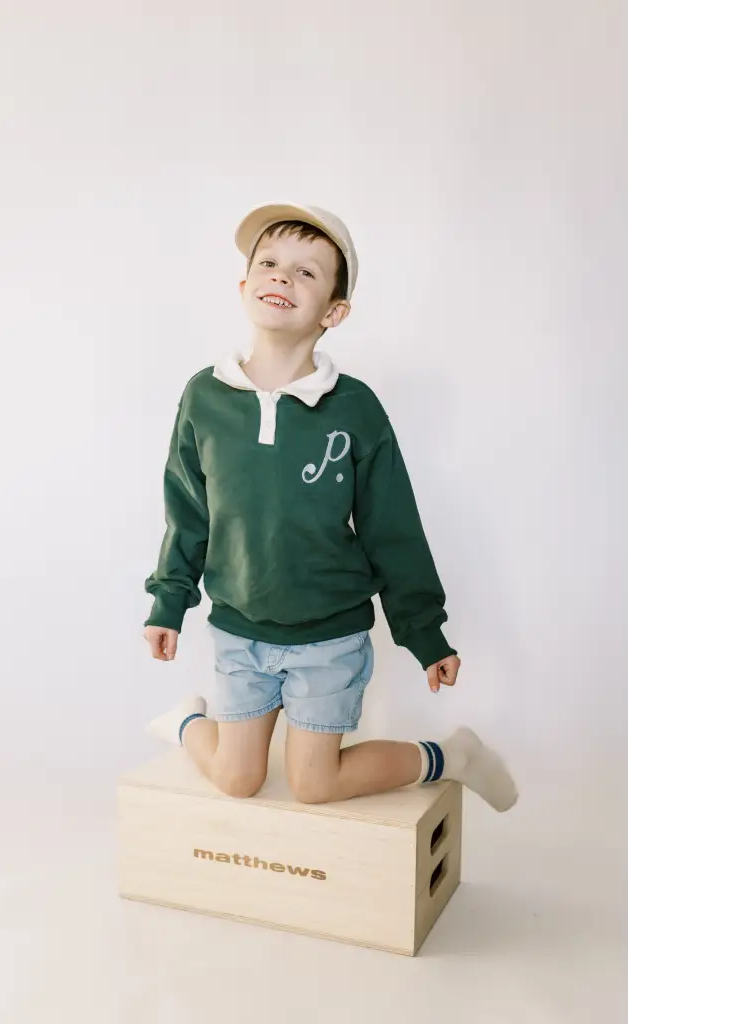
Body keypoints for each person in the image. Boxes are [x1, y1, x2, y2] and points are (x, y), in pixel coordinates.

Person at [142, 202, 517, 811]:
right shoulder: (204, 396)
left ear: (334, 312)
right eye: (268, 263)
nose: (282, 277)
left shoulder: (355, 408)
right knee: (239, 779)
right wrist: (169, 600)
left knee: (314, 784)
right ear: (244, 287)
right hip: (239, 628)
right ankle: (190, 723)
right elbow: (187, 509)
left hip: (329, 636)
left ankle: (454, 755)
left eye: (306, 272)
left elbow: (391, 527)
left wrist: (425, 632)